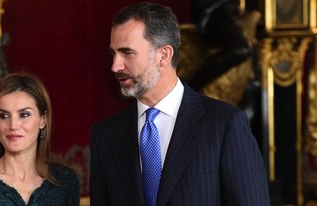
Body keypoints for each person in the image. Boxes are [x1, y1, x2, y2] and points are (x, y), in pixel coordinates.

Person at [89, 2, 270, 205]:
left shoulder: (225, 124)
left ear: (164, 55)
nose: (115, 66)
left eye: (127, 53)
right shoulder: (104, 135)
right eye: (113, 54)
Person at [0, 73, 80, 205]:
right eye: (3, 115)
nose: (13, 125)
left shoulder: (65, 181)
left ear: (43, 120)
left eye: (24, 114)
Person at [188, 0, 252, 91]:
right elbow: (203, 6)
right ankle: (194, 85)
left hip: (228, 17)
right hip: (214, 19)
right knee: (241, 49)